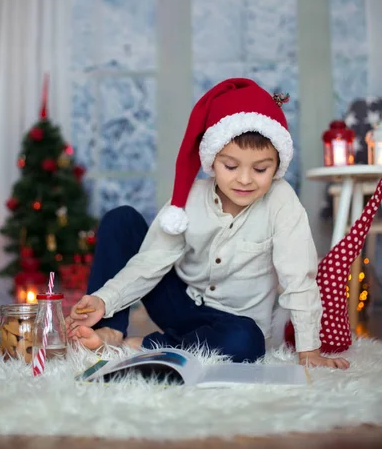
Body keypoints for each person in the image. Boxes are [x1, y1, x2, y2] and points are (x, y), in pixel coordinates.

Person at [67, 78, 349, 369]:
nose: (244, 179)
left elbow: (298, 276)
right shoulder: (191, 198)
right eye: (231, 166)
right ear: (212, 161)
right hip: (180, 302)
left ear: (277, 166)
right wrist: (103, 300)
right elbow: (152, 260)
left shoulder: (282, 201)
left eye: (261, 169)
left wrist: (309, 350)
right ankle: (111, 329)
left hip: (235, 322)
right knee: (121, 219)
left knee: (246, 342)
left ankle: (148, 345)